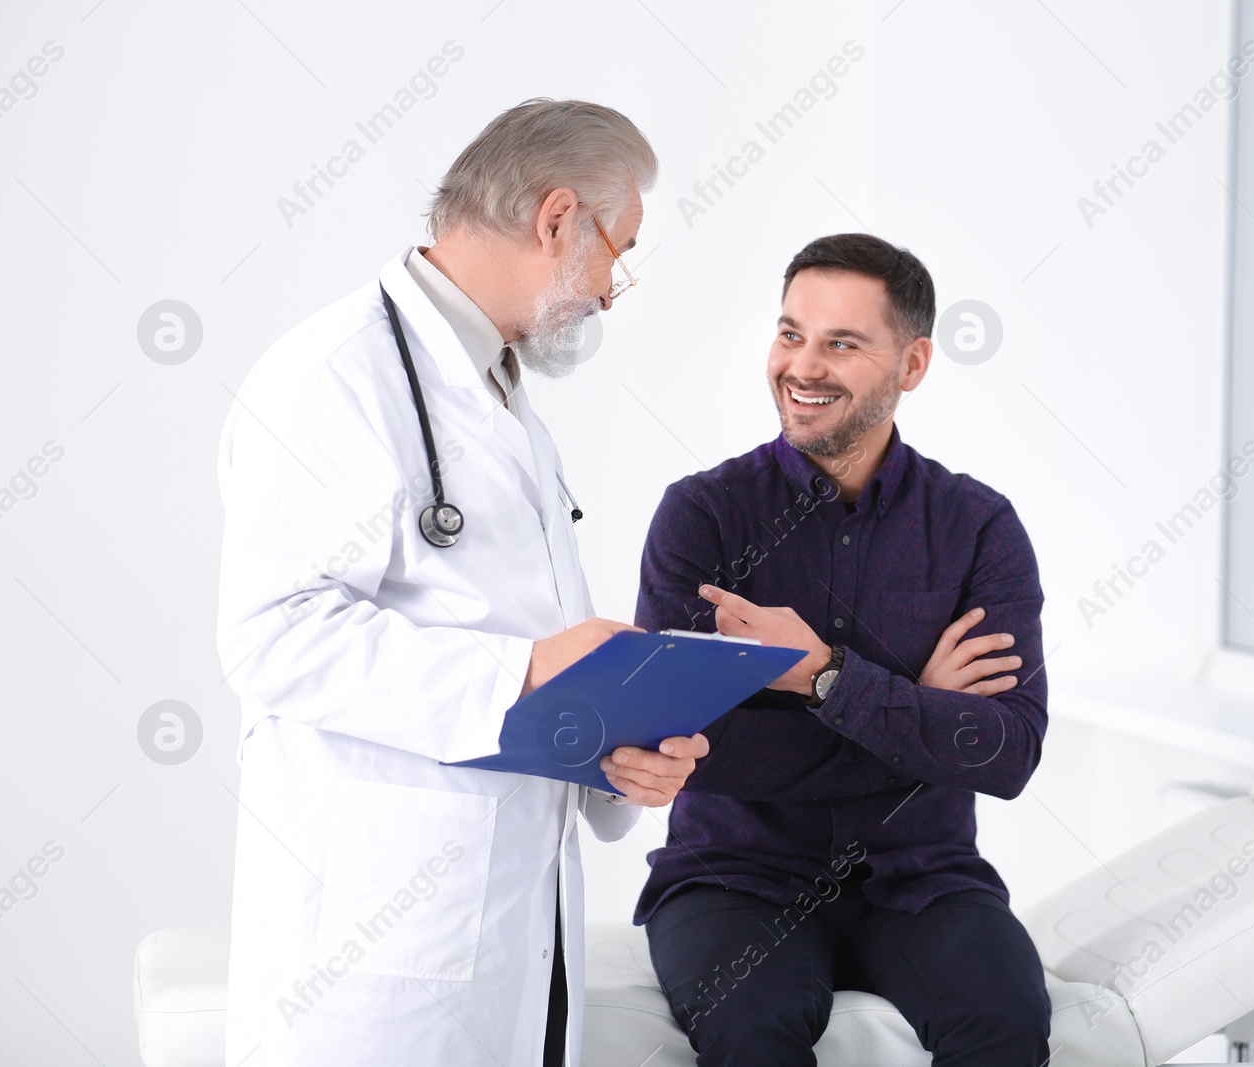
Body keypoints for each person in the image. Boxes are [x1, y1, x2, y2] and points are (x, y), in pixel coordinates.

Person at [215, 98, 707, 1067]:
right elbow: (271, 638)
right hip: (378, 934)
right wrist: (529, 669)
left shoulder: (498, 390)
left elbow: (499, 629)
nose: (614, 290)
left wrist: (607, 750)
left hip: (504, 907)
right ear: (557, 217)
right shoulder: (334, 373)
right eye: (620, 247)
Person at [631, 233, 1053, 1065]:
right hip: (734, 875)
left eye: (841, 343)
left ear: (914, 363)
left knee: (1003, 1025)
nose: (802, 365)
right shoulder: (703, 516)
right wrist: (916, 711)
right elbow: (690, 748)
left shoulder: (977, 527)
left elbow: (1008, 754)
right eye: (791, 333)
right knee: (753, 1030)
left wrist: (822, 676)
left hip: (922, 877)